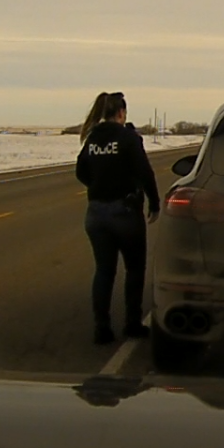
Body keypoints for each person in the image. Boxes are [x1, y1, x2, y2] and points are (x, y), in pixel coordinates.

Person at [75, 92, 160, 345]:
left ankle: (102, 327)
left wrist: (98, 185)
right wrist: (154, 203)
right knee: (134, 269)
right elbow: (145, 172)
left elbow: (81, 171)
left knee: (104, 271)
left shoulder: (92, 139)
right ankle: (132, 323)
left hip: (96, 212)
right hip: (124, 211)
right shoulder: (127, 138)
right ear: (120, 113)